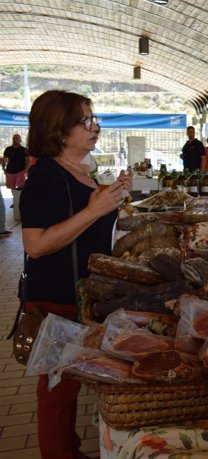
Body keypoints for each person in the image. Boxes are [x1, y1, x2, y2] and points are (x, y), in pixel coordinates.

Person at [20, 90, 131, 459]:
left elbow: (95, 225)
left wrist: (114, 198)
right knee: (56, 389)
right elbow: (36, 245)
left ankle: (70, 449)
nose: (94, 126)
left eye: (93, 119)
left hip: (83, 295)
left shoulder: (81, 170)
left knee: (67, 384)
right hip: (56, 297)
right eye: (85, 121)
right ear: (59, 129)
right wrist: (95, 209)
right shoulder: (46, 176)